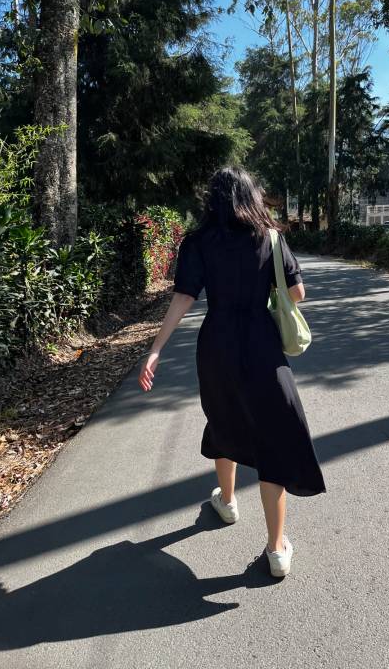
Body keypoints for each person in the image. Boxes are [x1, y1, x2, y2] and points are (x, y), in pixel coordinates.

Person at [138, 166, 326, 578]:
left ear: (213, 200)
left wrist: (156, 350)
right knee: (274, 434)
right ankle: (276, 549)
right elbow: (297, 293)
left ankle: (227, 502)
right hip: (261, 343)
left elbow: (183, 297)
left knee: (223, 417)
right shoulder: (270, 237)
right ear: (251, 196)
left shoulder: (198, 241)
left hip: (217, 344)